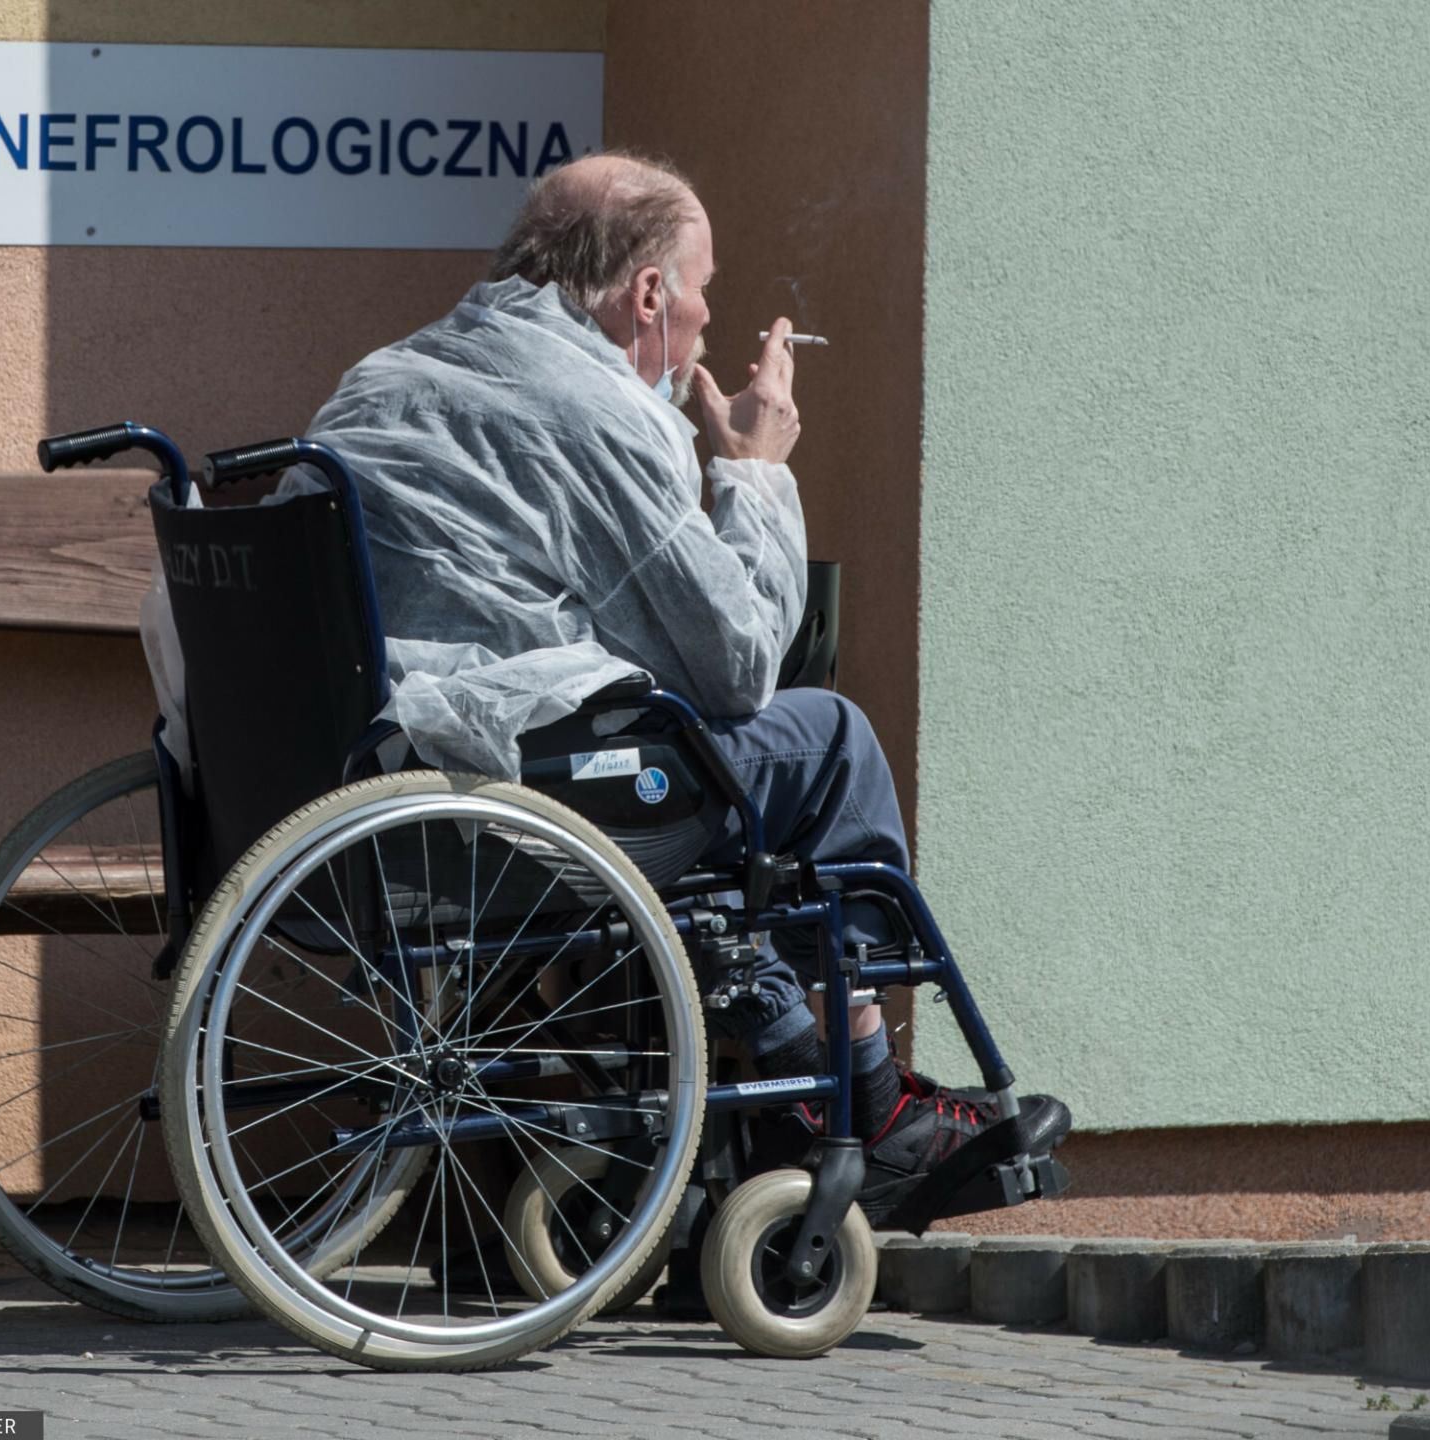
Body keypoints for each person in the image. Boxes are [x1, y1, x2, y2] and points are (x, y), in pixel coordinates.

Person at [292, 150, 990, 1225]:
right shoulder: (595, 411)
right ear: (650, 293)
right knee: (825, 741)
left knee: (690, 773)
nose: (710, 318)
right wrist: (755, 469)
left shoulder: (380, 380)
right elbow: (738, 663)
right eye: (703, 287)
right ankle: (861, 1097)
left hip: (356, 799)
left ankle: (777, 1056)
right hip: (515, 806)